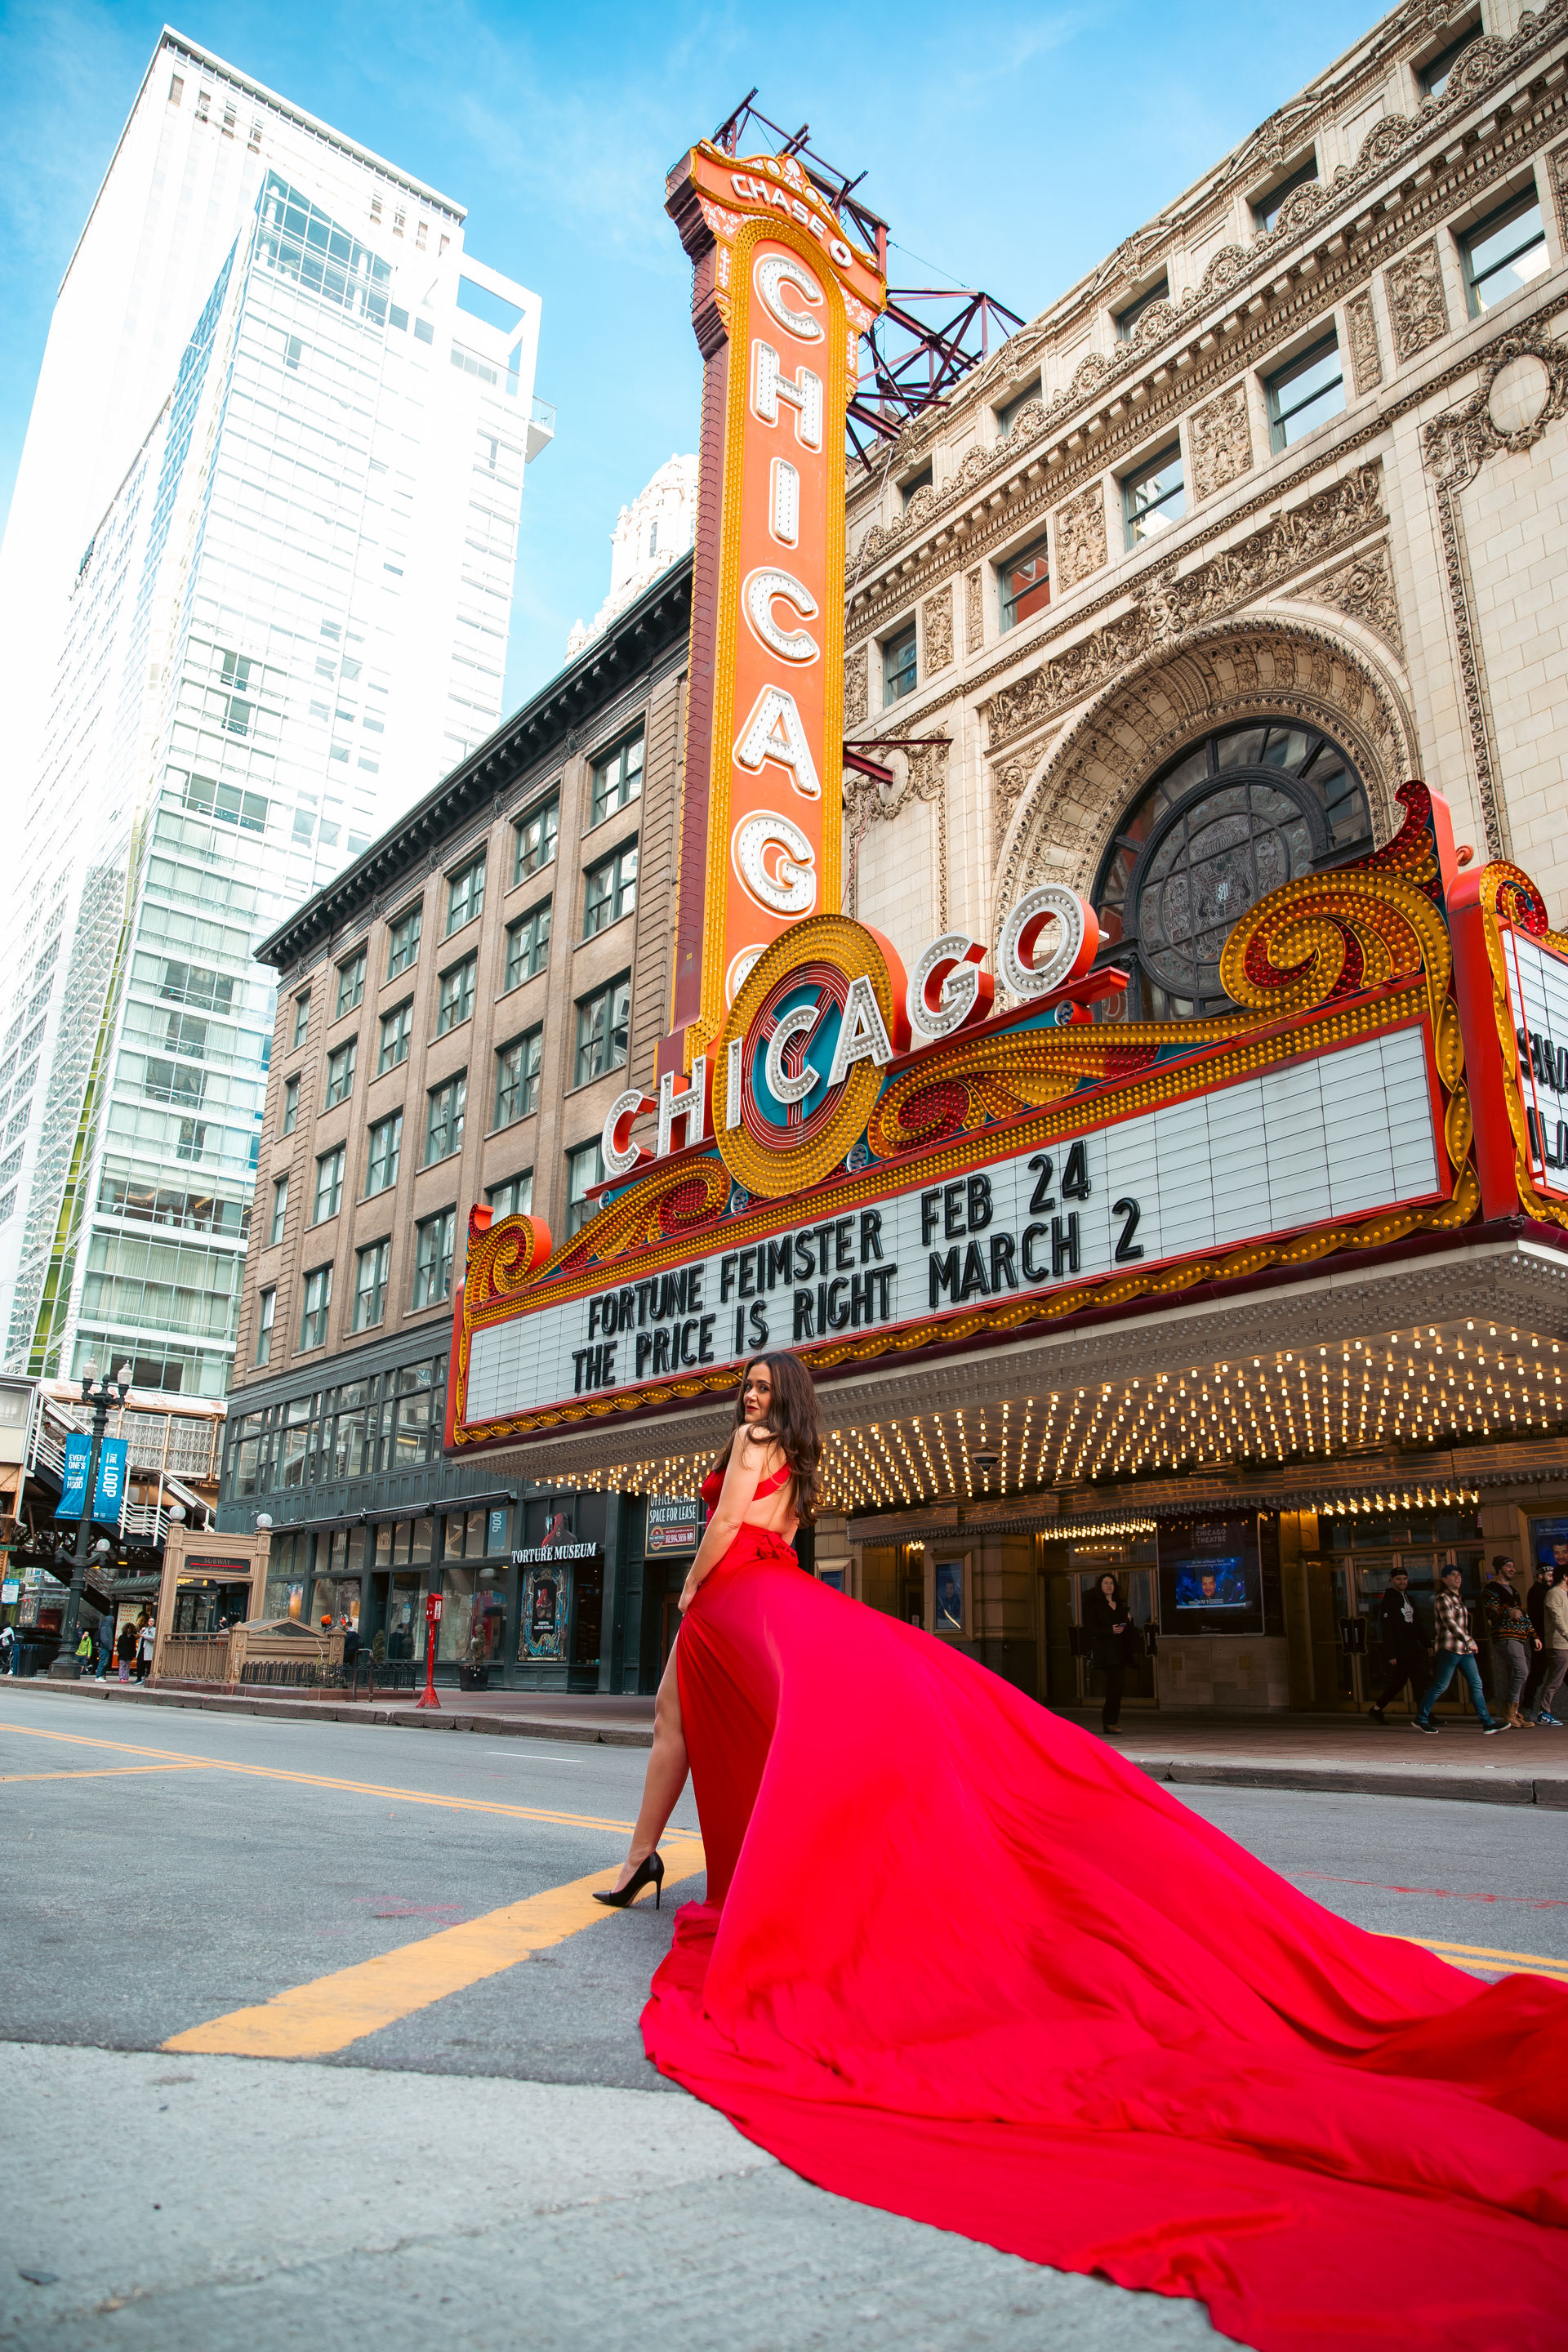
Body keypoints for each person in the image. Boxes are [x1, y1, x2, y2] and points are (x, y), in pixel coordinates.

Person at [600, 1352, 1567, 2352]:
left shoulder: (754, 1443)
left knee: (702, 1714)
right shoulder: (799, 1448)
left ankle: (651, 1859)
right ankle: (640, 1857)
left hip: (736, 1593)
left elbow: (729, 1527)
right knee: (683, 1714)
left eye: (764, 1387)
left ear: (782, 1401)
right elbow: (785, 1533)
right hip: (773, 1593)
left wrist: (690, 1593)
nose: (752, 1398)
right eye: (748, 1387)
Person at [1412, 1565, 1503, 1734]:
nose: (1457, 1577)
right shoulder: (1443, 1598)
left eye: (1459, 1574)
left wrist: (1467, 1643)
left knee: (1476, 1684)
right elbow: (1450, 1623)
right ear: (1444, 1579)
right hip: (1450, 1648)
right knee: (1441, 1685)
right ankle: (1421, 1718)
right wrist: (1469, 1640)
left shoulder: (1457, 1598)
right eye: (1452, 1575)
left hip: (1464, 1650)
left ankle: (1487, 1723)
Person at [1481, 1554, 1539, 1730]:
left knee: (1519, 1673)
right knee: (1522, 1671)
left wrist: (1534, 1635)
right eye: (1509, 1566)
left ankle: (1513, 1711)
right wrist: (1508, 1613)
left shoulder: (1514, 1591)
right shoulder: (1492, 1589)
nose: (1513, 1569)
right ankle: (1510, 1711)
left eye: (1513, 1566)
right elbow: (1491, 1612)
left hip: (1520, 1637)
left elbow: (1522, 1615)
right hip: (1506, 1636)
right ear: (1500, 1569)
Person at [1368, 1565, 1424, 1720]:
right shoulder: (1389, 1600)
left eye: (1404, 1579)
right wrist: (1390, 1652)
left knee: (1399, 1682)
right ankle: (1425, 1715)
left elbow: (1417, 1623)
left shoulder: (1409, 1598)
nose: (1402, 1581)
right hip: (1401, 1650)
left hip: (1412, 1647)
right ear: (1392, 1580)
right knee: (1418, 1681)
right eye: (1399, 1579)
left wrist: (1427, 1643)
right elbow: (1387, 1629)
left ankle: (1377, 1708)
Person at [1080, 1570, 1130, 1734]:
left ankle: (1112, 1721)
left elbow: (1127, 1628)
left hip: (1120, 1651)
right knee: (1114, 1687)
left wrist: (1129, 1620)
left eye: (1111, 1583)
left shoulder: (1120, 1604)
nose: (1109, 1586)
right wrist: (1110, 1631)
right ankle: (1109, 1722)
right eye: (1105, 1583)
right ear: (1100, 1586)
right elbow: (1092, 1629)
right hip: (1106, 1653)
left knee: (1119, 1687)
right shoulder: (1095, 1606)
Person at [1535, 1568, 1568, 1727]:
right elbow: (1558, 1619)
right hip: (1559, 1644)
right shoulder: (1554, 1594)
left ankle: (1544, 1711)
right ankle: (1543, 1712)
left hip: (1565, 1644)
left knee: (1556, 1679)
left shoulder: (1564, 1594)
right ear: (1565, 1577)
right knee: (1555, 1680)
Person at [135, 1614, 155, 1682]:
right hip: (142, 1649)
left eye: (152, 1621)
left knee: (148, 1664)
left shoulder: (154, 1630)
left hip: (148, 1649)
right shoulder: (145, 1629)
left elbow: (153, 1638)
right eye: (150, 1621)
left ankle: (146, 1677)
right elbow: (141, 1635)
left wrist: (145, 1636)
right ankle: (139, 1678)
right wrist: (141, 1631)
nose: (151, 1623)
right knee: (140, 1664)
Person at [116, 1618, 136, 1682]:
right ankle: (121, 1677)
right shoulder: (122, 1637)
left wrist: (133, 1654)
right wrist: (120, 1652)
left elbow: (133, 1646)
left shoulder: (132, 1637)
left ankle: (126, 1677)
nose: (129, 1629)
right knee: (122, 1665)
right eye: (128, 1628)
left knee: (127, 1666)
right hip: (122, 1654)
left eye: (130, 1628)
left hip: (129, 1654)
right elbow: (119, 1646)